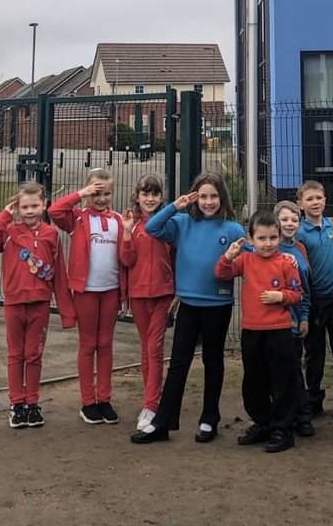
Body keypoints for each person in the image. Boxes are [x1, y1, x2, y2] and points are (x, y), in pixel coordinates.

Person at [130, 171, 245, 445]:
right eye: (203, 196)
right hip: (188, 304)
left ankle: (209, 418)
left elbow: (246, 264)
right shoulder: (181, 223)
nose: (208, 202)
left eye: (213, 196)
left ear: (222, 198)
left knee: (213, 360)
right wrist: (175, 206)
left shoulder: (233, 230)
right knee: (179, 361)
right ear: (194, 197)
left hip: (218, 304)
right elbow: (152, 228)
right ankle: (162, 421)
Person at [0, 181, 75, 428]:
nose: (30, 211)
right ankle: (16, 404)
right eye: (25, 207)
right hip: (14, 303)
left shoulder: (51, 234)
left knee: (34, 354)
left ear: (43, 205)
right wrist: (4, 215)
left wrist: (67, 313)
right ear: (17, 208)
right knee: (15, 354)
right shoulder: (9, 232)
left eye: (35, 205)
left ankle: (32, 402)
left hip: (40, 304)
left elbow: (59, 274)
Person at [214, 210, 302, 453]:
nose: (268, 243)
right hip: (251, 331)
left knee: (282, 381)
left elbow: (297, 294)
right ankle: (262, 423)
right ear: (251, 240)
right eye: (262, 239)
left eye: (273, 238)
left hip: (279, 331)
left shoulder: (286, 262)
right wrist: (228, 256)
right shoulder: (245, 260)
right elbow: (221, 274)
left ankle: (282, 429)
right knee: (254, 380)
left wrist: (280, 296)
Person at [48, 169, 126, 425]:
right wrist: (81, 194)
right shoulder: (78, 219)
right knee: (88, 344)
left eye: (106, 193)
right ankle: (88, 401)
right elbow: (55, 211)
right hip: (86, 291)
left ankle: (104, 397)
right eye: (96, 193)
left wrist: (123, 294)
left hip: (111, 290)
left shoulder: (117, 219)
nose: (101, 198)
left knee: (105, 344)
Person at [296, 179, 333, 419]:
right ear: (300, 204)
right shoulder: (299, 231)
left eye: (318, 197)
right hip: (314, 302)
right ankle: (314, 398)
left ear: (325, 200)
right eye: (309, 199)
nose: (315, 202)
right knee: (314, 352)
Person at [120, 173, 175, 431]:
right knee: (145, 349)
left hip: (163, 294)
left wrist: (177, 293)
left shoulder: (168, 224)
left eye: (155, 194)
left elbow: (175, 257)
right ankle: (152, 395)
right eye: (146, 194)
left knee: (154, 348)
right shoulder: (132, 223)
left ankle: (151, 404)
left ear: (161, 197)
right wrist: (128, 234)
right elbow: (126, 260)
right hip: (139, 294)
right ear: (137, 196)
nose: (150, 199)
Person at [274, 199, 314, 437]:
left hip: (294, 323)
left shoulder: (300, 250)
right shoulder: (266, 248)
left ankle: (302, 416)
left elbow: (305, 289)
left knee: (294, 371)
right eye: (285, 219)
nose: (290, 224)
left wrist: (305, 317)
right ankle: (280, 417)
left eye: (295, 220)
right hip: (271, 323)